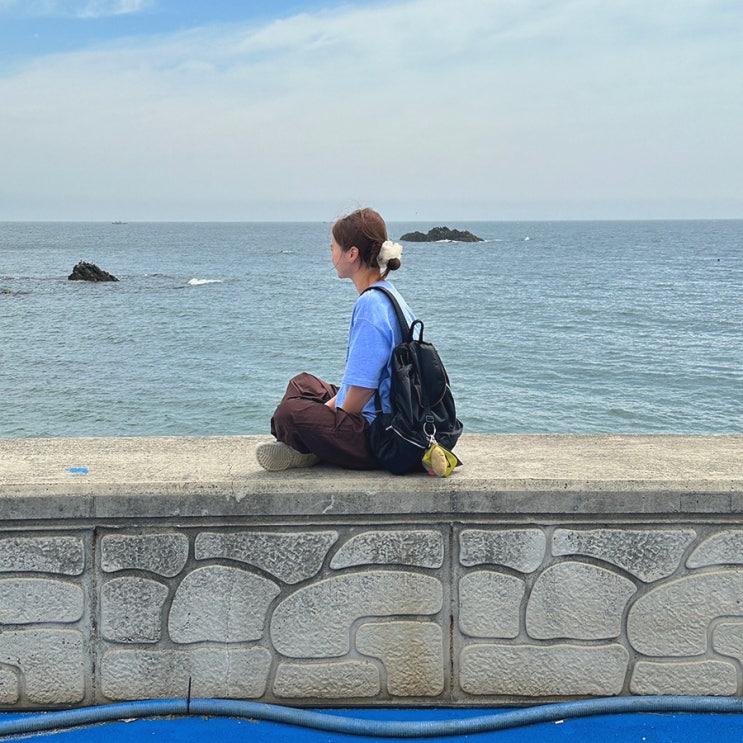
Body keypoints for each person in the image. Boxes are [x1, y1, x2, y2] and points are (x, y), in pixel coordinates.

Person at [256, 207, 414, 471]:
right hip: (390, 412)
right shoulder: (388, 293)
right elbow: (364, 383)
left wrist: (322, 419)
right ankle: (311, 447)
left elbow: (359, 395)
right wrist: (322, 410)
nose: (330, 251)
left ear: (352, 254)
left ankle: (308, 449)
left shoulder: (370, 306)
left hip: (377, 436)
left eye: (334, 246)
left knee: (288, 415)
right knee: (302, 384)